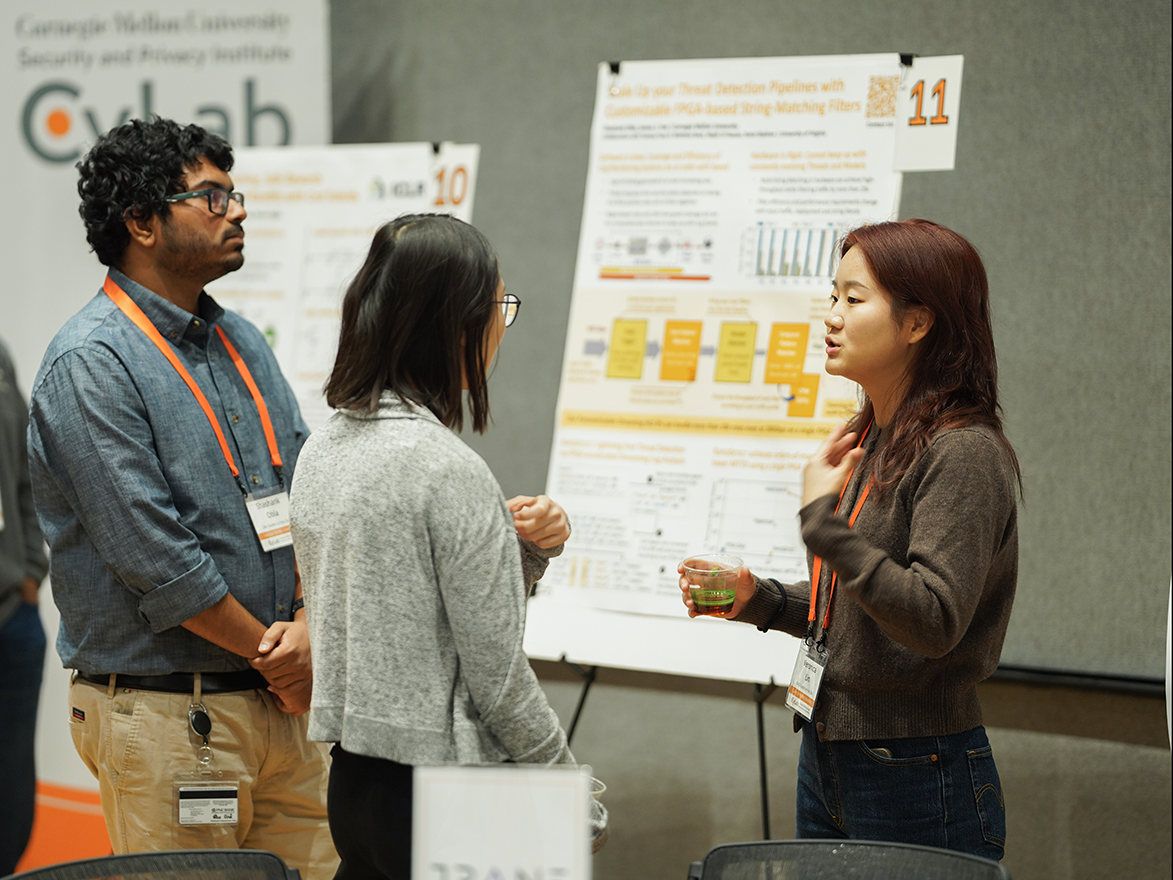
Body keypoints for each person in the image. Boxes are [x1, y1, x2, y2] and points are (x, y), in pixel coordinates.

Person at [27, 118, 337, 877]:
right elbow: (156, 560)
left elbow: (305, 496)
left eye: (233, 194)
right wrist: (281, 657)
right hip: (172, 715)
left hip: (283, 705)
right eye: (211, 197)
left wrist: (303, 624)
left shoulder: (241, 341)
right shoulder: (90, 362)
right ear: (140, 222)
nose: (236, 211)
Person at [681, 219, 1020, 860]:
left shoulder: (964, 452)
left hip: (917, 766)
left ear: (918, 323)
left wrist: (822, 524)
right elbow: (868, 601)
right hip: (830, 750)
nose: (831, 317)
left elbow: (932, 617)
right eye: (832, 297)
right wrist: (764, 601)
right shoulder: (875, 438)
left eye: (853, 299)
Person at [289, 213, 608, 879]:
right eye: (498, 307)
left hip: (354, 787)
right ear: (453, 322)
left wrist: (518, 552)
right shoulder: (444, 468)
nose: (500, 327)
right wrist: (566, 785)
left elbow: (416, 620)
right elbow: (494, 677)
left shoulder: (322, 449)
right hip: (449, 793)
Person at [0, 338, 50, 876]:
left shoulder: (0, 357)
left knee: (11, 776)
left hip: (13, 613)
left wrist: (32, 573)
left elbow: (25, 476)